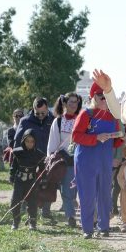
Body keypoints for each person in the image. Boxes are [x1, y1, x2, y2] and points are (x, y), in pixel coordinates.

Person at [72, 80, 124, 239]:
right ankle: (87, 229)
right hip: (85, 161)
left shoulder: (113, 116)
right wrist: (95, 138)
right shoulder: (86, 114)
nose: (103, 98)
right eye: (100, 95)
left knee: (105, 195)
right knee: (87, 196)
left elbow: (115, 142)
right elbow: (75, 136)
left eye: (106, 95)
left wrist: (120, 138)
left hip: (104, 161)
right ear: (93, 96)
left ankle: (104, 227)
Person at [13, 98, 55, 220]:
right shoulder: (25, 121)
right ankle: (24, 210)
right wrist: (19, 158)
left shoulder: (53, 120)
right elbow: (17, 141)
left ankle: (46, 212)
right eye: (37, 113)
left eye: (43, 113)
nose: (40, 115)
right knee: (27, 185)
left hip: (47, 159)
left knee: (48, 185)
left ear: (47, 109)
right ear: (33, 109)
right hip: (29, 160)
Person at [47, 92, 82, 228]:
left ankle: (88, 217)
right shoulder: (58, 121)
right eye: (71, 102)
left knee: (81, 191)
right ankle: (70, 216)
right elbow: (53, 143)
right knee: (67, 191)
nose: (74, 104)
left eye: (76, 102)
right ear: (65, 103)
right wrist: (51, 159)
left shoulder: (82, 119)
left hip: (82, 160)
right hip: (65, 161)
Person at [9, 130, 45, 231]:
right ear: (23, 141)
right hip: (19, 180)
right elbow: (14, 166)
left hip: (31, 180)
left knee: (32, 202)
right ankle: (15, 222)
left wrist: (42, 180)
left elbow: (42, 169)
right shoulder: (18, 152)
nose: (29, 143)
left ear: (35, 142)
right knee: (15, 201)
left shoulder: (38, 154)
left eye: (32, 141)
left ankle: (32, 223)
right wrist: (11, 176)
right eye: (27, 141)